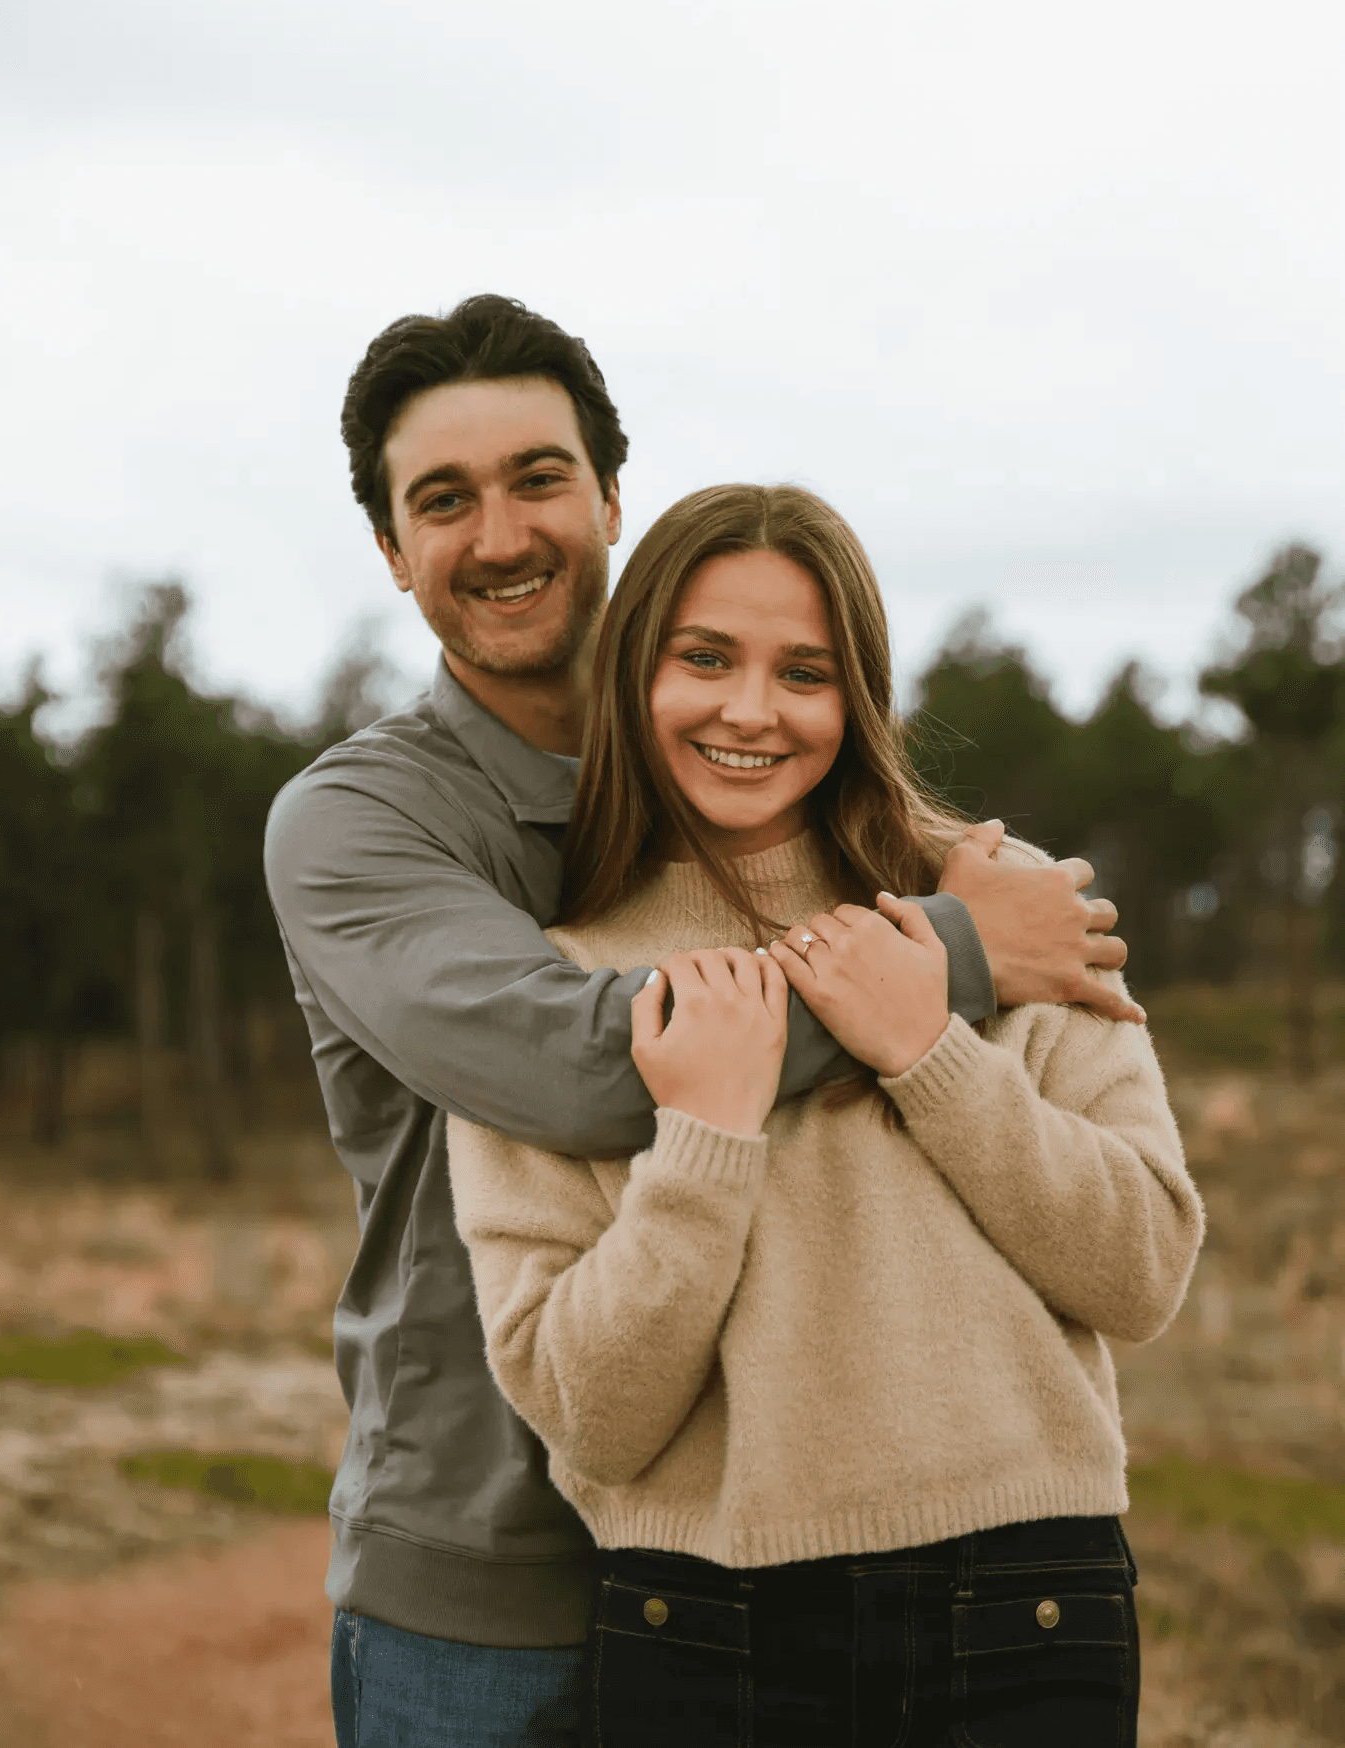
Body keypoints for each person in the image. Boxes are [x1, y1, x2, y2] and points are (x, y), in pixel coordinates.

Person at [263, 296, 1143, 1748]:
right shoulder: (361, 822)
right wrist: (960, 956)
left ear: (612, 494)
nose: (500, 534)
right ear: (389, 549)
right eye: (443, 500)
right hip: (490, 1570)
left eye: (538, 477)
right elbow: (588, 1062)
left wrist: (965, 905)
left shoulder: (758, 770)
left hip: (792, 1555)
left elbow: (1128, 1228)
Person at [445, 482, 1204, 1745]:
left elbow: (1144, 1268)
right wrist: (702, 1143)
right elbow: (589, 1415)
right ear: (636, 671)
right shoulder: (559, 985)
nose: (753, 709)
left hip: (1027, 1606)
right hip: (701, 1626)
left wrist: (929, 1047)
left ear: (858, 698)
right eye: (705, 657)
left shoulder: (1006, 908)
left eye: (806, 670)